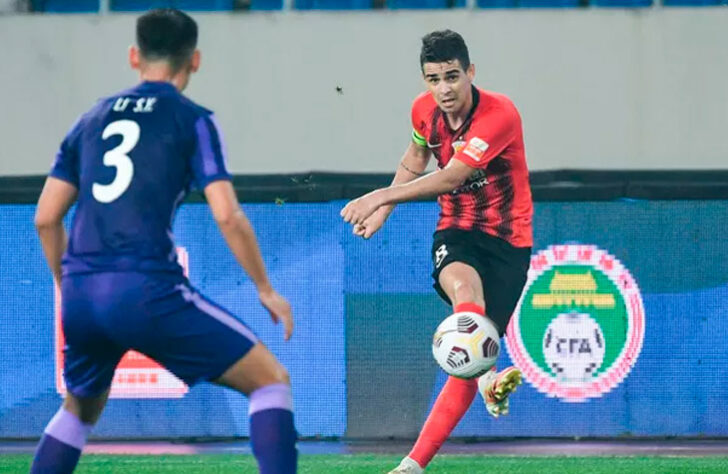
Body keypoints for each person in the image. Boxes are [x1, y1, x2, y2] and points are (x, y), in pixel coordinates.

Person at [31, 9, 297, 474]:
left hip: (82, 295)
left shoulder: (90, 119)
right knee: (270, 382)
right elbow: (228, 215)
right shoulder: (192, 120)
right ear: (194, 61)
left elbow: (46, 218)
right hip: (145, 289)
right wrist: (264, 288)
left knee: (79, 410)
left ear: (135, 56)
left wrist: (65, 283)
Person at [341, 29, 533, 473]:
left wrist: (377, 198)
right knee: (466, 299)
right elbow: (416, 159)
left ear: (470, 72)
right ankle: (411, 468)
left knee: (473, 350)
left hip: (509, 242)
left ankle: (483, 377)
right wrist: (386, 206)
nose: (444, 89)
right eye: (433, 79)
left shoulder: (499, 115)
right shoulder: (423, 111)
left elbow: (450, 177)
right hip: (458, 230)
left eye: (452, 77)